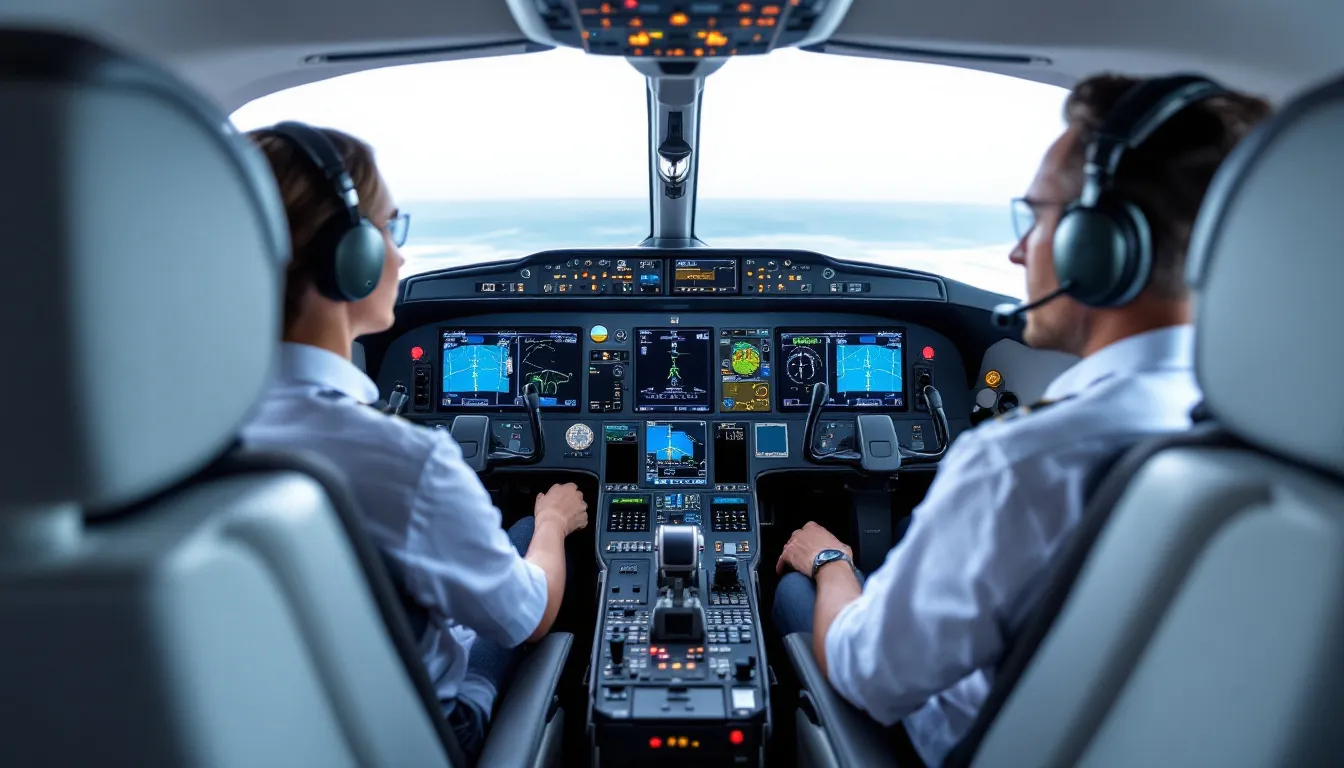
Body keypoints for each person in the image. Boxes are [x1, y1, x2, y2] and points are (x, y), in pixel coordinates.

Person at [771, 74, 1272, 766]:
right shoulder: (1272, 436)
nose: (1017, 252)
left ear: (1099, 246)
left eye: (1036, 218)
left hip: (970, 743)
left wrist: (833, 563)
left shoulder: (1029, 460)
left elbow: (868, 672)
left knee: (799, 585)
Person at [239, 122, 589, 761]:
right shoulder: (402, 460)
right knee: (526, 542)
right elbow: (530, 615)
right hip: (419, 729)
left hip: (276, 722)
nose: (400, 258)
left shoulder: (177, 438)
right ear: (349, 256)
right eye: (389, 231)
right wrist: (553, 523)